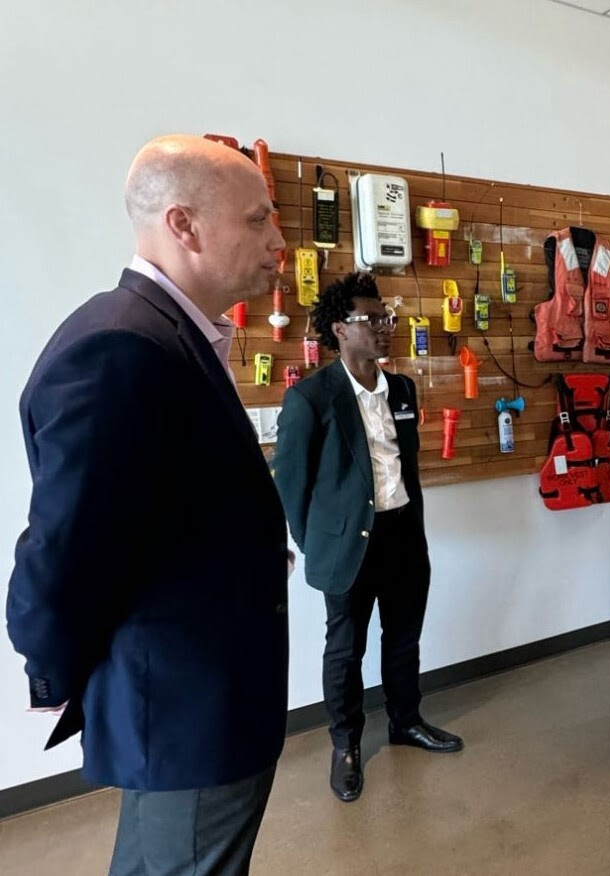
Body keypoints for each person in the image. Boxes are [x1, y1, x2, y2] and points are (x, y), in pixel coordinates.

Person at [6, 135, 290, 873]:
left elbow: (156, 511)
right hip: (184, 708)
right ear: (184, 225)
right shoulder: (120, 347)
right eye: (258, 220)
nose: (279, 241)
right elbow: (62, 551)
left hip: (196, 699)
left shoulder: (167, 337)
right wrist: (53, 668)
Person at [271, 272, 462, 804]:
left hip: (402, 534)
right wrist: (318, 543)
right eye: (372, 319)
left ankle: (405, 721)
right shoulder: (310, 399)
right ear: (339, 328)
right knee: (345, 649)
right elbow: (289, 484)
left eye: (387, 318)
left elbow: (407, 465)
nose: (385, 327)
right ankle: (346, 745)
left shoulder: (401, 388)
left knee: (403, 641)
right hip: (347, 544)